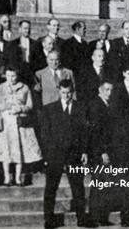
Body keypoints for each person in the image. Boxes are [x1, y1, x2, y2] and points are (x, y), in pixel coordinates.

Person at [41, 80, 88, 228]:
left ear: (72, 91)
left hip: (74, 153)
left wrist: (84, 151)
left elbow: (85, 132)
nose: (66, 95)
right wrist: (47, 155)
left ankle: (82, 218)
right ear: (59, 91)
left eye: (69, 92)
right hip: (55, 154)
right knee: (51, 188)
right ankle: (49, 219)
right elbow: (45, 134)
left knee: (78, 187)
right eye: (63, 92)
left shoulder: (80, 107)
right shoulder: (50, 109)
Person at [0, 67, 41, 186]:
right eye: (9, 76)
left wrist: (20, 108)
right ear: (5, 76)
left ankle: (18, 177)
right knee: (6, 150)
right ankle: (6, 177)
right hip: (6, 122)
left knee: (19, 149)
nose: (11, 79)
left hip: (20, 121)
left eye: (13, 76)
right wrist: (9, 107)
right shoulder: (0, 88)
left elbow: (30, 105)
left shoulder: (24, 87)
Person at [87, 79, 116, 227]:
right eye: (106, 90)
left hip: (107, 150)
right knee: (99, 185)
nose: (109, 93)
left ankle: (102, 217)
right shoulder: (95, 105)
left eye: (111, 90)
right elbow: (95, 132)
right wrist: (102, 152)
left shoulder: (108, 105)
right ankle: (94, 217)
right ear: (100, 90)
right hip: (99, 152)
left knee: (105, 184)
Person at [7, 20, 41, 84]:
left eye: (29, 29)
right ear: (20, 29)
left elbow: (39, 60)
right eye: (25, 28)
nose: (27, 31)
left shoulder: (36, 44)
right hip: (18, 74)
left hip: (31, 74)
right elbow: (10, 60)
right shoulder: (13, 44)